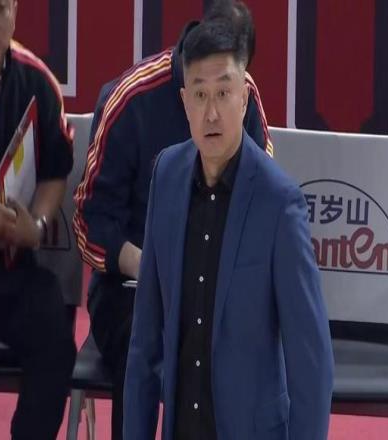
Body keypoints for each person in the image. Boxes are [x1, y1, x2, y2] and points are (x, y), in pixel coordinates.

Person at [123, 10, 334, 440]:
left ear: (245, 96)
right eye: (200, 95)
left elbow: (311, 363)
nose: (212, 113)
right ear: (184, 102)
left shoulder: (279, 202)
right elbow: (145, 340)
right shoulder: (167, 175)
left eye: (224, 92)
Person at [73, 1, 272, 438]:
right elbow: (89, 223)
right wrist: (148, 266)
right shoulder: (130, 99)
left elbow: (263, 208)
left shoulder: (245, 96)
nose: (216, 108)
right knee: (141, 342)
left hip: (219, 286)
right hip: (131, 288)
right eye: (203, 91)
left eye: (231, 81)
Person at [0, 0, 76, 438]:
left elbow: (55, 172)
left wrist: (34, 226)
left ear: (15, 11)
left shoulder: (38, 81)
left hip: (12, 268)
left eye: (1, 8)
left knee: (55, 340)